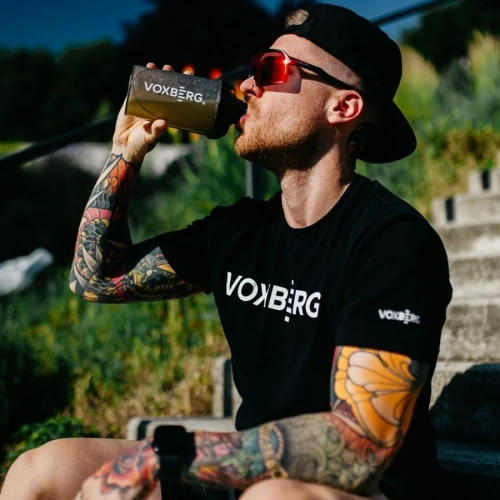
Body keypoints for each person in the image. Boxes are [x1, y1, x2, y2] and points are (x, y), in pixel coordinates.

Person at [0, 4, 452, 500]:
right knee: (40, 471)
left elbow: (360, 446)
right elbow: (96, 279)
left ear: (343, 108)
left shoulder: (392, 241)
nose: (248, 85)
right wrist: (124, 153)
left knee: (271, 498)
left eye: (272, 70)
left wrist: (165, 454)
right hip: (251, 474)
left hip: (362, 488)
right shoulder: (240, 231)